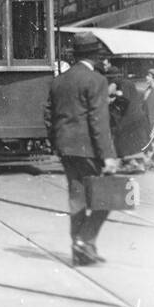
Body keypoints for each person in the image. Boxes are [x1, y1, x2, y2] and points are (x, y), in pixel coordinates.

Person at [44, 33, 117, 267]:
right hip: (89, 149)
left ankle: (81, 248)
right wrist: (108, 156)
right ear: (94, 55)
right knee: (108, 197)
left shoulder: (59, 81)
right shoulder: (96, 81)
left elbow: (48, 116)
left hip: (66, 149)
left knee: (77, 199)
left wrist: (56, 143)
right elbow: (98, 121)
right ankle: (85, 241)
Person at [108, 76, 151, 160]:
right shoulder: (130, 86)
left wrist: (113, 99)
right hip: (137, 118)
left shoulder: (122, 85)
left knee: (125, 141)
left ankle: (129, 161)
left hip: (130, 118)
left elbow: (124, 100)